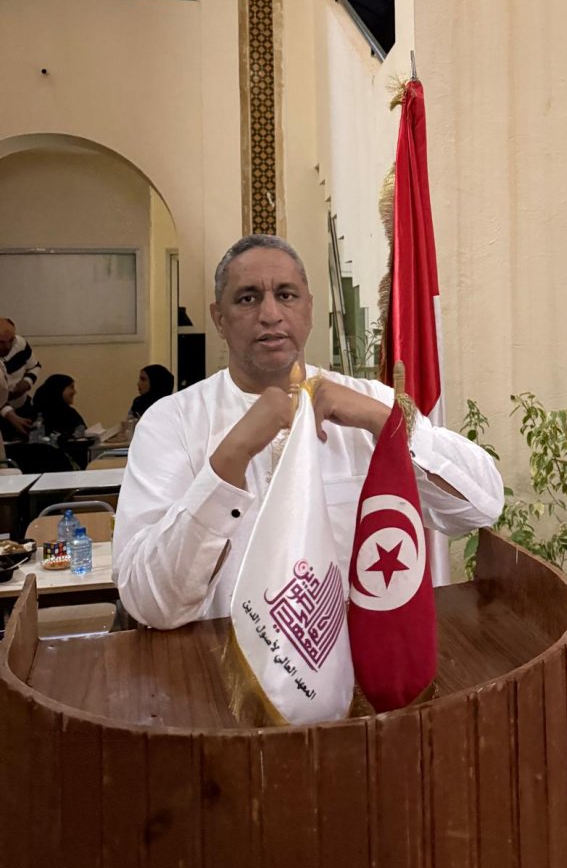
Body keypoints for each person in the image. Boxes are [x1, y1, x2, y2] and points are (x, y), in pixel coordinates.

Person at [114, 235, 504, 630]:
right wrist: (229, 459)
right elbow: (151, 603)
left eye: (286, 295)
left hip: (353, 655)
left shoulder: (369, 402)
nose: (270, 314)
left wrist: (385, 422)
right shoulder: (172, 423)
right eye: (248, 298)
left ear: (310, 309)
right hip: (222, 657)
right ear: (219, 318)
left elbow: (481, 506)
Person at [0, 318, 41, 440]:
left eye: (11, 340)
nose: (8, 346)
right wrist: (10, 415)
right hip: (4, 413)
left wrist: (27, 382)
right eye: (1, 342)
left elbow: (35, 366)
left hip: (22, 405)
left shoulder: (20, 344)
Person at [32, 374, 87, 440]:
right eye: (71, 387)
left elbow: (84, 435)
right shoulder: (36, 413)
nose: (74, 392)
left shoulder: (71, 414)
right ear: (59, 388)